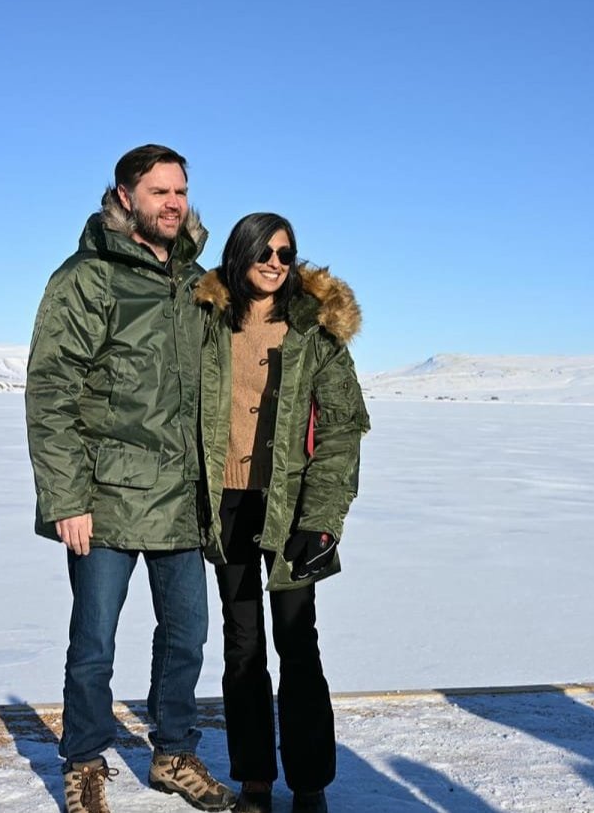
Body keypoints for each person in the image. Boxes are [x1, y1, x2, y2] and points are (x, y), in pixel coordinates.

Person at [25, 144, 236, 813]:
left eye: (181, 191)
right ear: (124, 197)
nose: (173, 203)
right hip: (104, 500)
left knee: (187, 635)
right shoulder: (85, 278)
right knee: (93, 643)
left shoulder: (198, 281)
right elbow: (52, 389)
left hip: (179, 497)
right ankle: (84, 762)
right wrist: (66, 498)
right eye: (159, 192)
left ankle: (174, 752)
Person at [193, 213, 370, 813]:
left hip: (293, 510)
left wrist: (322, 520)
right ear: (239, 254)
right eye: (263, 251)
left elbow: (343, 430)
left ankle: (310, 783)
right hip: (227, 506)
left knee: (298, 643)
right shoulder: (207, 323)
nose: (275, 262)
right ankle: (255, 781)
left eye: (286, 253)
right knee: (242, 645)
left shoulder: (314, 332)